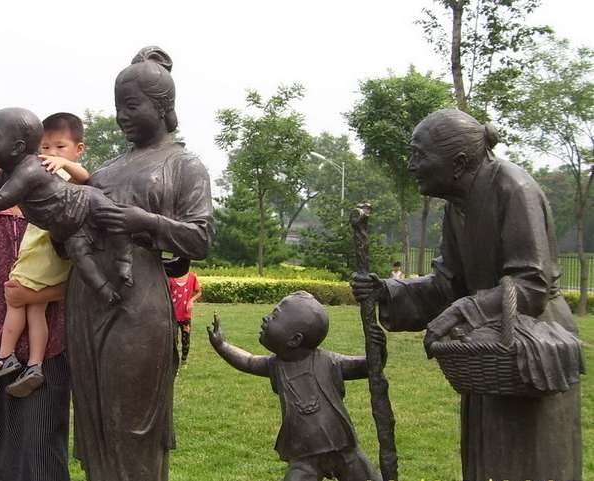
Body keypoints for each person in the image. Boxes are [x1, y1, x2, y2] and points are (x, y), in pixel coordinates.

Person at [350, 109, 583, 480]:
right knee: (486, 454)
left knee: (528, 457)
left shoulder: (513, 188)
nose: (411, 166)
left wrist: (467, 310)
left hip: (531, 343)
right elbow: (449, 285)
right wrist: (387, 291)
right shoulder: (456, 206)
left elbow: (532, 284)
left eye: (419, 155)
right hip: (488, 344)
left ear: (458, 163)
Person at [67, 47, 214, 481]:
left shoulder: (184, 165)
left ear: (163, 106)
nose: (122, 116)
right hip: (87, 301)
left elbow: (201, 238)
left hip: (139, 305)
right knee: (96, 420)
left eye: (132, 105)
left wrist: (144, 222)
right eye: (118, 106)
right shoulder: (105, 171)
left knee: (132, 422)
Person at [0, 107, 132, 305]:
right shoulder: (6, 183)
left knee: (114, 223)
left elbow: (2, 197)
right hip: (8, 287)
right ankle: (108, 288)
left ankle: (124, 261)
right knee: (80, 255)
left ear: (17, 149)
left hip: (79, 213)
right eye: (45, 147)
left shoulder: (39, 173)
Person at [0, 157, 70, 480]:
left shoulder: (59, 213)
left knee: (42, 442)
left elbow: (81, 278)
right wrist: (0, 185)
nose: (8, 167)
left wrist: (33, 297)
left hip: (47, 345)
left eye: (16, 159)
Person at [207, 292, 382, 481]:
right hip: (305, 455)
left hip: (343, 448)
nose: (266, 318)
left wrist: (378, 348)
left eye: (274, 316)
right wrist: (222, 345)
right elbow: (248, 361)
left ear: (294, 339)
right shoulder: (276, 365)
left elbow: (369, 365)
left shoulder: (329, 362)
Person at [0, 112, 89, 397]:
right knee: (35, 309)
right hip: (41, 253)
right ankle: (34, 365)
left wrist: (64, 163)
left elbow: (86, 176)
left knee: (17, 299)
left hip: (42, 253)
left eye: (60, 147)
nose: (51, 153)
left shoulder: (63, 175)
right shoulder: (40, 175)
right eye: (45, 147)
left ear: (79, 149)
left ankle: (6, 356)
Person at [168, 268, 201, 364]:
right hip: (172, 316)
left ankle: (184, 361)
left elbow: (199, 292)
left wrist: (191, 300)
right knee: (173, 341)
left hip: (185, 315)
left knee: (185, 340)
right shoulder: (170, 277)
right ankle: (174, 362)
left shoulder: (192, 277)